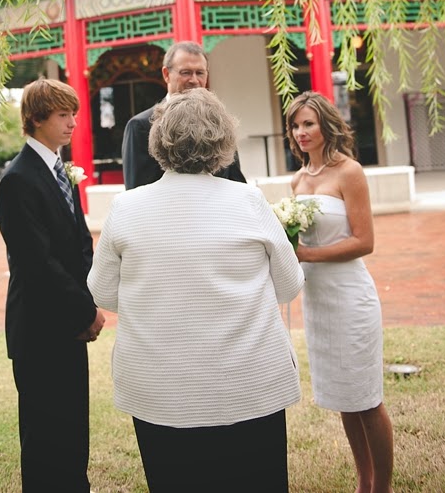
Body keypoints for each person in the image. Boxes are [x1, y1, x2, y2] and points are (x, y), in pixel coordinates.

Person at [88, 88, 304, 493]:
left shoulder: (126, 207)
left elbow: (102, 291)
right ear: (222, 141)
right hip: (248, 382)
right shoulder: (249, 200)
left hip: (161, 387)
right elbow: (289, 283)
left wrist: (156, 299)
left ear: (158, 141)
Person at [0, 78, 105, 493]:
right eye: (63, 114)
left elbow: (80, 243)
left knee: (73, 431)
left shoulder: (59, 170)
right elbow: (37, 263)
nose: (73, 123)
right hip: (40, 329)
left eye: (73, 113)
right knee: (45, 438)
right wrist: (85, 312)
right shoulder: (18, 180)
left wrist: (91, 297)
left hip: (70, 324)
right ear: (37, 118)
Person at [286, 91, 394, 493]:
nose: (301, 132)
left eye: (308, 123)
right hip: (318, 301)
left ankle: (382, 487)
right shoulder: (298, 180)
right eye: (295, 125)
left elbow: (364, 242)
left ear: (326, 125)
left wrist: (306, 254)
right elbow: (295, 242)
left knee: (366, 398)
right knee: (344, 398)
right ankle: (363, 481)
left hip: (350, 297)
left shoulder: (350, 172)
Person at [121, 40, 246, 188]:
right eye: (186, 72)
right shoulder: (141, 126)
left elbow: (236, 181)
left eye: (200, 73)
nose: (194, 80)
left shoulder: (220, 121)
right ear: (166, 74)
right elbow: (137, 190)